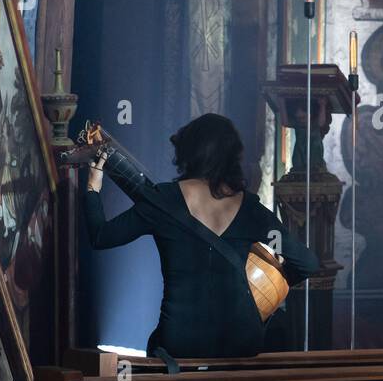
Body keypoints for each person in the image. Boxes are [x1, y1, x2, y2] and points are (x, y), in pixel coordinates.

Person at [85, 114, 318, 359]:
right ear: (232, 157)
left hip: (180, 343)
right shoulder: (251, 210)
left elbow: (101, 236)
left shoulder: (162, 199)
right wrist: (267, 287)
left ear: (189, 153)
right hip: (240, 343)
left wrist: (92, 187)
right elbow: (308, 263)